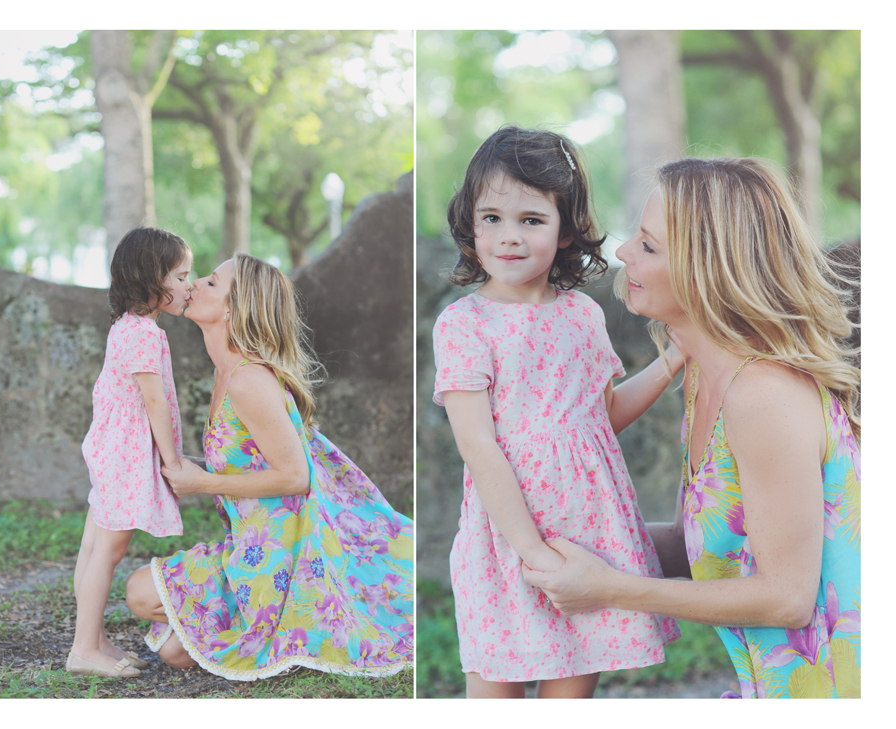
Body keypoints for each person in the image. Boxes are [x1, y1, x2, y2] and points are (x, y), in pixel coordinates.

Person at [523, 157, 861, 699]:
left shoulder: (764, 395)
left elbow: (787, 597)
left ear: (710, 269)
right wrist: (538, 548)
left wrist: (610, 589)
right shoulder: (708, 377)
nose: (624, 253)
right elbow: (692, 543)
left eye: (649, 245)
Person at [433, 126, 682, 699]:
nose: (509, 237)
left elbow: (602, 419)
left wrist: (675, 359)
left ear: (566, 230)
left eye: (531, 220)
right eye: (491, 218)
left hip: (585, 534)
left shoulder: (581, 316)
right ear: (470, 223)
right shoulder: (465, 323)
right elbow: (478, 445)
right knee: (494, 690)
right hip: (508, 539)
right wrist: (532, 552)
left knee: (569, 693)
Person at [125, 253, 414, 681]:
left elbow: (296, 477)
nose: (195, 283)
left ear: (231, 307)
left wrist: (202, 483)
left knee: (139, 593)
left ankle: (299, 617)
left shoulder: (248, 381)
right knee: (174, 649)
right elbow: (248, 460)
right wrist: (190, 466)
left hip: (286, 552)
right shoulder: (226, 374)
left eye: (211, 281)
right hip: (249, 543)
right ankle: (278, 626)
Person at [67, 227, 193, 678]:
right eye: (180, 276)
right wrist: (172, 460)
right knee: (109, 551)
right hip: (124, 455)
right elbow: (153, 401)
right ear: (151, 278)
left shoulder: (132, 327)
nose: (189, 285)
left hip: (111, 449)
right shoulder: (142, 333)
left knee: (92, 545)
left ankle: (93, 638)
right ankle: (83, 649)